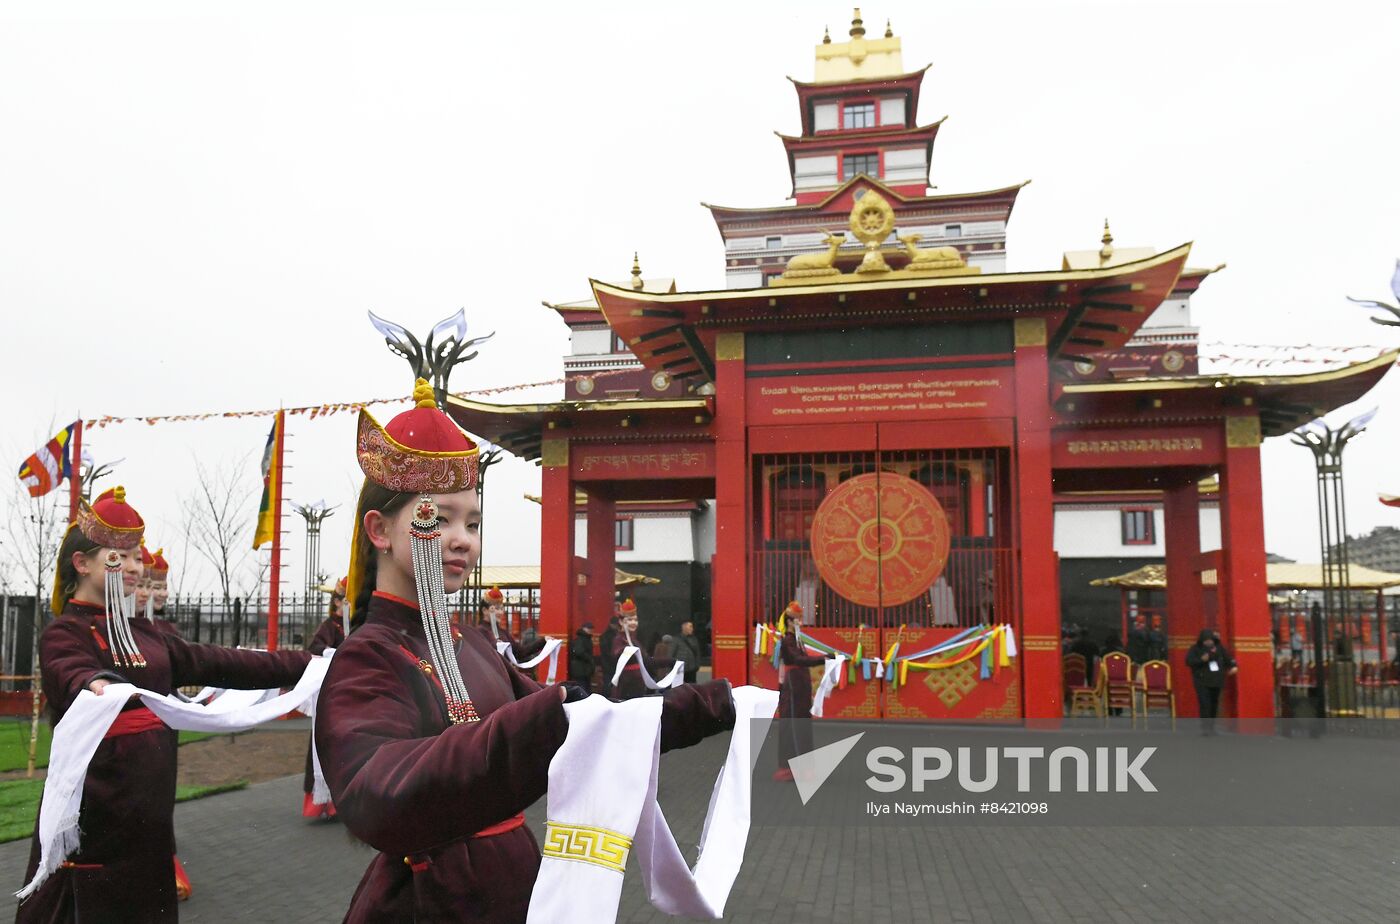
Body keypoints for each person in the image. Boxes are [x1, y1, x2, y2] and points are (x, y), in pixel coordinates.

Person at [314, 377, 736, 922]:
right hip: (430, 903)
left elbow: (588, 727)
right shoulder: (366, 658)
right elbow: (376, 793)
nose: (463, 538)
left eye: (472, 522)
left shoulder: (475, 645)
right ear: (379, 530)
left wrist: (715, 704)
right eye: (437, 519)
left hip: (515, 888)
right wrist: (540, 719)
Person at [18, 487, 314, 924]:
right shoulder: (65, 632)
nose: (136, 568)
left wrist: (311, 664)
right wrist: (95, 681)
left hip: (148, 814)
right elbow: (69, 670)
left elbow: (229, 662)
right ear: (82, 564)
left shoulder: (151, 636)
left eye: (138, 556)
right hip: (93, 811)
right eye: (121, 557)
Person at [302, 576, 348, 820]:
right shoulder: (329, 626)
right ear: (337, 602)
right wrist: (332, 652)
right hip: (329, 693)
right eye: (342, 600)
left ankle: (339, 803)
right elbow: (315, 648)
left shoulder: (356, 626)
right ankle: (320, 801)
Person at [773, 601, 827, 783]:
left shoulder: (796, 640)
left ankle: (795, 767)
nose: (800, 623)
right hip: (793, 686)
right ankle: (796, 768)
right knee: (796, 725)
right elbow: (799, 659)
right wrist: (825, 659)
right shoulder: (787, 641)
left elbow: (803, 658)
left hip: (800, 685)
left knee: (799, 724)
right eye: (797, 619)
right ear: (790, 621)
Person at [610, 599, 673, 699]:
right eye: (630, 620)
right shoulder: (618, 640)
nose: (633, 623)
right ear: (621, 622)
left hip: (637, 687)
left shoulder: (635, 641)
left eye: (635, 620)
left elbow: (647, 662)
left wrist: (670, 662)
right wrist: (629, 651)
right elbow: (618, 654)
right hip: (625, 687)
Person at [1186, 628, 1237, 734]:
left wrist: (1233, 666)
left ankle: (1212, 726)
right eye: (1206, 640)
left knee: (1214, 703)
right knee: (1205, 704)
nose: (1208, 642)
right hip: (1202, 680)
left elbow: (1228, 658)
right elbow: (1189, 661)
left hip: (1216, 680)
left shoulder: (1219, 648)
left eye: (1210, 640)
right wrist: (1201, 660)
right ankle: (1205, 727)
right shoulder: (1195, 649)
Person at [479, 585, 545, 662]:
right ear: (484, 610)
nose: (500, 612)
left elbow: (519, 653)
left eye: (501, 608)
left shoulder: (503, 632)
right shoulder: (479, 632)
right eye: (496, 609)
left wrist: (543, 641)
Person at [567, 622, 595, 693]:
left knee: (583, 687)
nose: (590, 630)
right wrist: (589, 658)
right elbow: (579, 652)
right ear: (584, 628)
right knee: (583, 687)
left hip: (581, 669)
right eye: (589, 628)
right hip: (581, 669)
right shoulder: (583, 639)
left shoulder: (582, 638)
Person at [598, 613, 621, 699]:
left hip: (607, 664)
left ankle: (608, 698)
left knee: (608, 683)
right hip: (610, 664)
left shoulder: (606, 636)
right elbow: (608, 651)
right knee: (610, 684)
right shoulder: (612, 636)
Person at [674, 620, 702, 685]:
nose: (692, 629)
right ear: (684, 627)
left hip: (692, 669)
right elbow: (671, 654)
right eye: (690, 626)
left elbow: (697, 653)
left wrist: (697, 665)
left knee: (692, 686)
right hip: (680, 669)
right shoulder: (676, 639)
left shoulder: (694, 639)